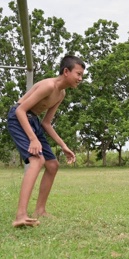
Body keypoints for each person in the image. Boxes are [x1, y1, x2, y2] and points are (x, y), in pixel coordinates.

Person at [7, 55, 85, 227]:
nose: (80, 79)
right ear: (66, 71)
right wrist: (33, 139)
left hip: (33, 120)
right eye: (78, 74)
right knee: (37, 160)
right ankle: (20, 215)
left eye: (82, 75)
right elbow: (20, 111)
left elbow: (46, 123)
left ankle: (40, 210)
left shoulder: (61, 93)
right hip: (18, 118)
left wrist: (64, 146)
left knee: (52, 165)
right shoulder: (48, 85)